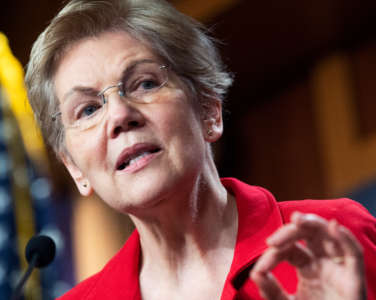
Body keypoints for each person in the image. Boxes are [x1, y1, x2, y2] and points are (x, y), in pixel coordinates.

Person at [24, 0, 376, 299]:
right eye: (87, 110)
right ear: (75, 169)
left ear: (209, 109)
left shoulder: (335, 239)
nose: (119, 115)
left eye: (144, 83)